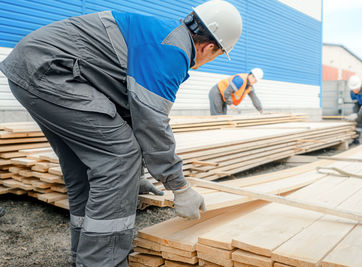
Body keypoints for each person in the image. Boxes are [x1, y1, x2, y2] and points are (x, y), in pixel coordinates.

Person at [0, 1, 242, 266]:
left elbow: (130, 115)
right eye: (217, 55)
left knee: (84, 167)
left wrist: (135, 180)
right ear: (209, 47)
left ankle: (85, 256)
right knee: (119, 157)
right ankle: (103, 262)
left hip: (35, 69)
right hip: (53, 73)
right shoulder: (171, 51)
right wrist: (179, 187)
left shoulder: (160, 35)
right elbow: (151, 124)